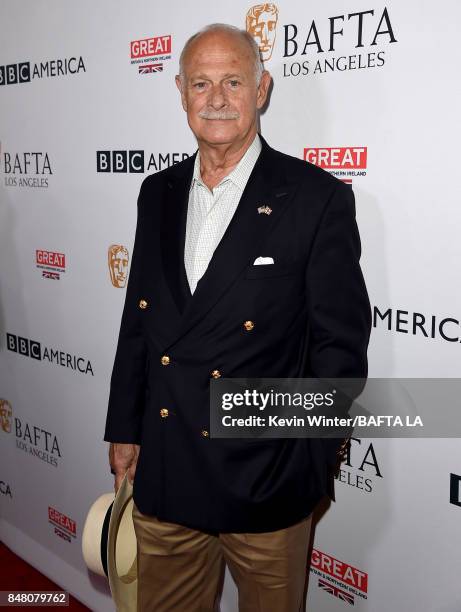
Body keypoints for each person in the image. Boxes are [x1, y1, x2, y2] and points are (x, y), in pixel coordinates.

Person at [104, 22, 371, 612]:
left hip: (266, 484)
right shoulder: (158, 192)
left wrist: (306, 456)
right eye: (201, 83)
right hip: (167, 472)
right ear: (180, 92)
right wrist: (125, 426)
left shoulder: (315, 197)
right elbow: (138, 322)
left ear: (262, 88)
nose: (217, 98)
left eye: (233, 81)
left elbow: (340, 346)